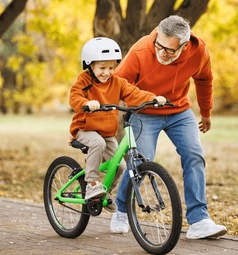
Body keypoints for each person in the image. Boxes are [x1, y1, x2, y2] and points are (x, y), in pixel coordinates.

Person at [110, 15, 227, 239]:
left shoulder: (198, 50)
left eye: (170, 50)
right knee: (142, 162)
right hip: (144, 112)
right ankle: (122, 210)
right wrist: (138, 101)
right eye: (159, 46)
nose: (162, 53)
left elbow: (204, 79)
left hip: (179, 111)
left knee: (194, 154)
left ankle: (199, 220)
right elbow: (117, 84)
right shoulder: (141, 50)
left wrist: (206, 112)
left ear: (184, 46)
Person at [69, 37, 166, 211]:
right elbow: (74, 96)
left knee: (120, 166)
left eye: (111, 68)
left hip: (107, 132)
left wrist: (152, 98)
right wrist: (86, 103)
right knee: (97, 143)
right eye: (102, 68)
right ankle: (92, 184)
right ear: (89, 65)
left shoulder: (118, 82)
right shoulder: (84, 80)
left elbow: (134, 93)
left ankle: (103, 194)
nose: (107, 72)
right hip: (85, 129)